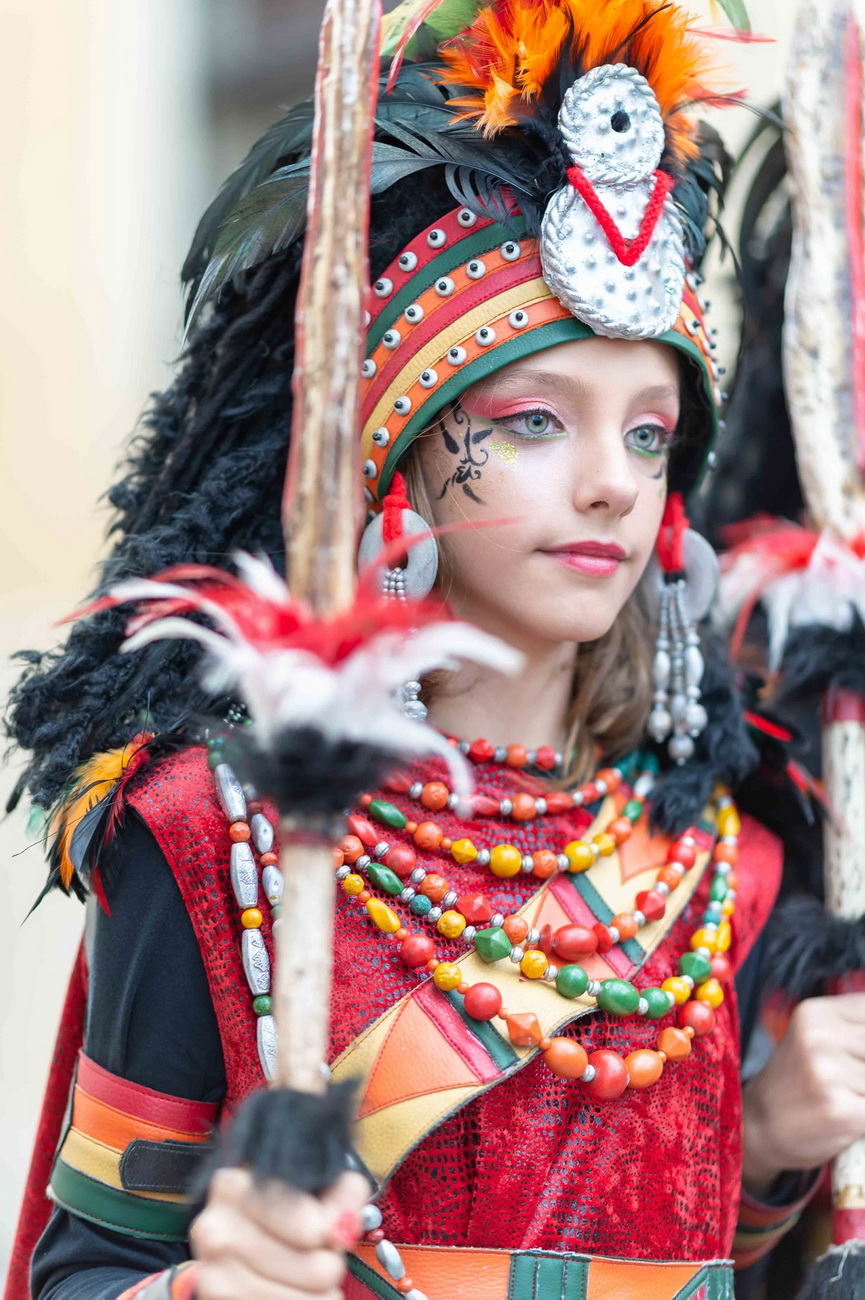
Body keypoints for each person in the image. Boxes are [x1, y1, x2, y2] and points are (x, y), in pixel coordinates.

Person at [6, 3, 865, 1298]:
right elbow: (84, 1269)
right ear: (399, 460)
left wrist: (771, 1150)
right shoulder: (213, 836)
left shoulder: (726, 872)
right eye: (535, 420)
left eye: (646, 433)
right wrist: (199, 1289)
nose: (610, 483)